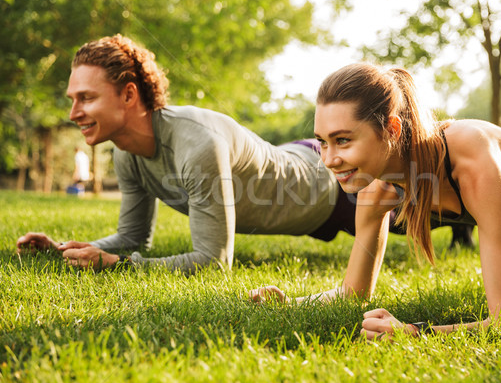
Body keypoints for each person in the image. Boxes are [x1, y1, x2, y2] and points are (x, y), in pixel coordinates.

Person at [19, 35, 472, 273]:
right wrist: (68, 251)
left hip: (325, 187)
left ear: (129, 96)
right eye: (72, 99)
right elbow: (133, 238)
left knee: (440, 205)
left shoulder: (195, 143)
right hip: (295, 163)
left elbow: (214, 262)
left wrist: (119, 268)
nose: (74, 111)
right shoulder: (127, 154)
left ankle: (494, 217)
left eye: (86, 98)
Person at [250, 62, 501, 338]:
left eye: (343, 140)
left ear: (392, 129)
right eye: (323, 142)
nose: (328, 159)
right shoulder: (376, 189)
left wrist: (415, 332)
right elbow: (352, 294)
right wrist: (290, 302)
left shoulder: (472, 158)